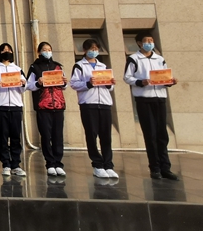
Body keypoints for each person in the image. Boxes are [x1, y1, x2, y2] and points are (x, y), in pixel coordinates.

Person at [124, 32, 179, 180]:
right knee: (151, 134)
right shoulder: (134, 59)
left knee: (162, 134)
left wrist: (170, 81)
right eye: (146, 41)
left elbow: (165, 76)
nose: (150, 43)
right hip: (144, 99)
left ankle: (165, 167)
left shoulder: (159, 59)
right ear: (139, 43)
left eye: (151, 40)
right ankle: (154, 167)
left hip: (160, 98)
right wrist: (141, 82)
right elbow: (127, 77)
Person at [70, 39, 119, 179]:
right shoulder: (79, 66)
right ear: (85, 50)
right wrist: (88, 83)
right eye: (92, 48)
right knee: (91, 134)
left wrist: (110, 83)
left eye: (96, 48)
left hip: (104, 103)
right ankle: (97, 164)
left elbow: (110, 87)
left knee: (106, 135)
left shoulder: (103, 66)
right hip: (88, 103)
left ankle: (108, 164)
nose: (94, 51)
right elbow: (74, 84)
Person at [27, 41, 68, 176]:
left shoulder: (57, 66)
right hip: (43, 106)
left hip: (58, 105)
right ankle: (50, 163)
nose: (47, 51)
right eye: (44, 49)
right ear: (39, 52)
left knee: (58, 135)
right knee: (46, 135)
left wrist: (64, 83)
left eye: (49, 49)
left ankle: (58, 163)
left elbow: (64, 86)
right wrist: (38, 83)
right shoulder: (34, 67)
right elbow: (28, 85)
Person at [0, 43, 27, 177]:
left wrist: (23, 84)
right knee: (3, 136)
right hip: (0, 106)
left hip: (15, 106)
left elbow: (24, 88)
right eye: (4, 50)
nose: (6, 52)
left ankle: (16, 164)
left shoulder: (18, 69)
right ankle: (6, 164)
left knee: (15, 136)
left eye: (9, 50)